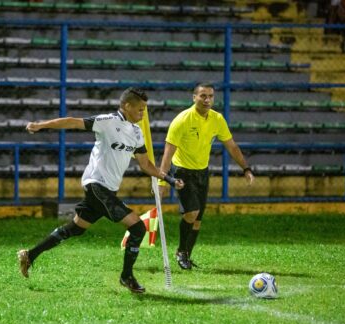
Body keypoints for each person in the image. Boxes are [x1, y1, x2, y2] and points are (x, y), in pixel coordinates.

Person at [18, 87, 184, 293]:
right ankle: (127, 276)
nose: (143, 113)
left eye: (144, 110)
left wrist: (167, 178)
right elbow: (72, 121)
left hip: (108, 189)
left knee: (76, 228)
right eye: (140, 109)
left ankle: (29, 255)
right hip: (96, 184)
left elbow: (145, 164)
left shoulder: (136, 132)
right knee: (138, 228)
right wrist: (40, 125)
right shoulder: (107, 121)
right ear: (127, 106)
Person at [158, 83, 254, 270]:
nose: (207, 99)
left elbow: (232, 146)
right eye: (202, 95)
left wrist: (246, 169)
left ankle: (186, 255)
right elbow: (168, 154)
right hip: (182, 171)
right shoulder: (182, 120)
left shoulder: (217, 119)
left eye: (210, 96)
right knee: (191, 213)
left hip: (202, 172)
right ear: (194, 97)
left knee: (198, 219)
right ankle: (181, 252)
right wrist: (162, 181)